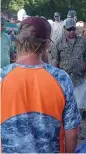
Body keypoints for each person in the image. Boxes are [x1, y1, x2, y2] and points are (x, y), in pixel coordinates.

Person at [1, 16, 81, 153]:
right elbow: (72, 132)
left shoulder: (2, 77)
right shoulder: (61, 79)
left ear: (18, 41)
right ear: (47, 44)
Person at [51, 18, 86, 119]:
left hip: (80, 80)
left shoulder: (82, 41)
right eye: (69, 29)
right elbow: (55, 62)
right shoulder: (58, 43)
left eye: (73, 29)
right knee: (63, 108)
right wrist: (55, 81)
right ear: (64, 29)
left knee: (79, 109)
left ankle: (77, 131)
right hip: (64, 82)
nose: (72, 32)